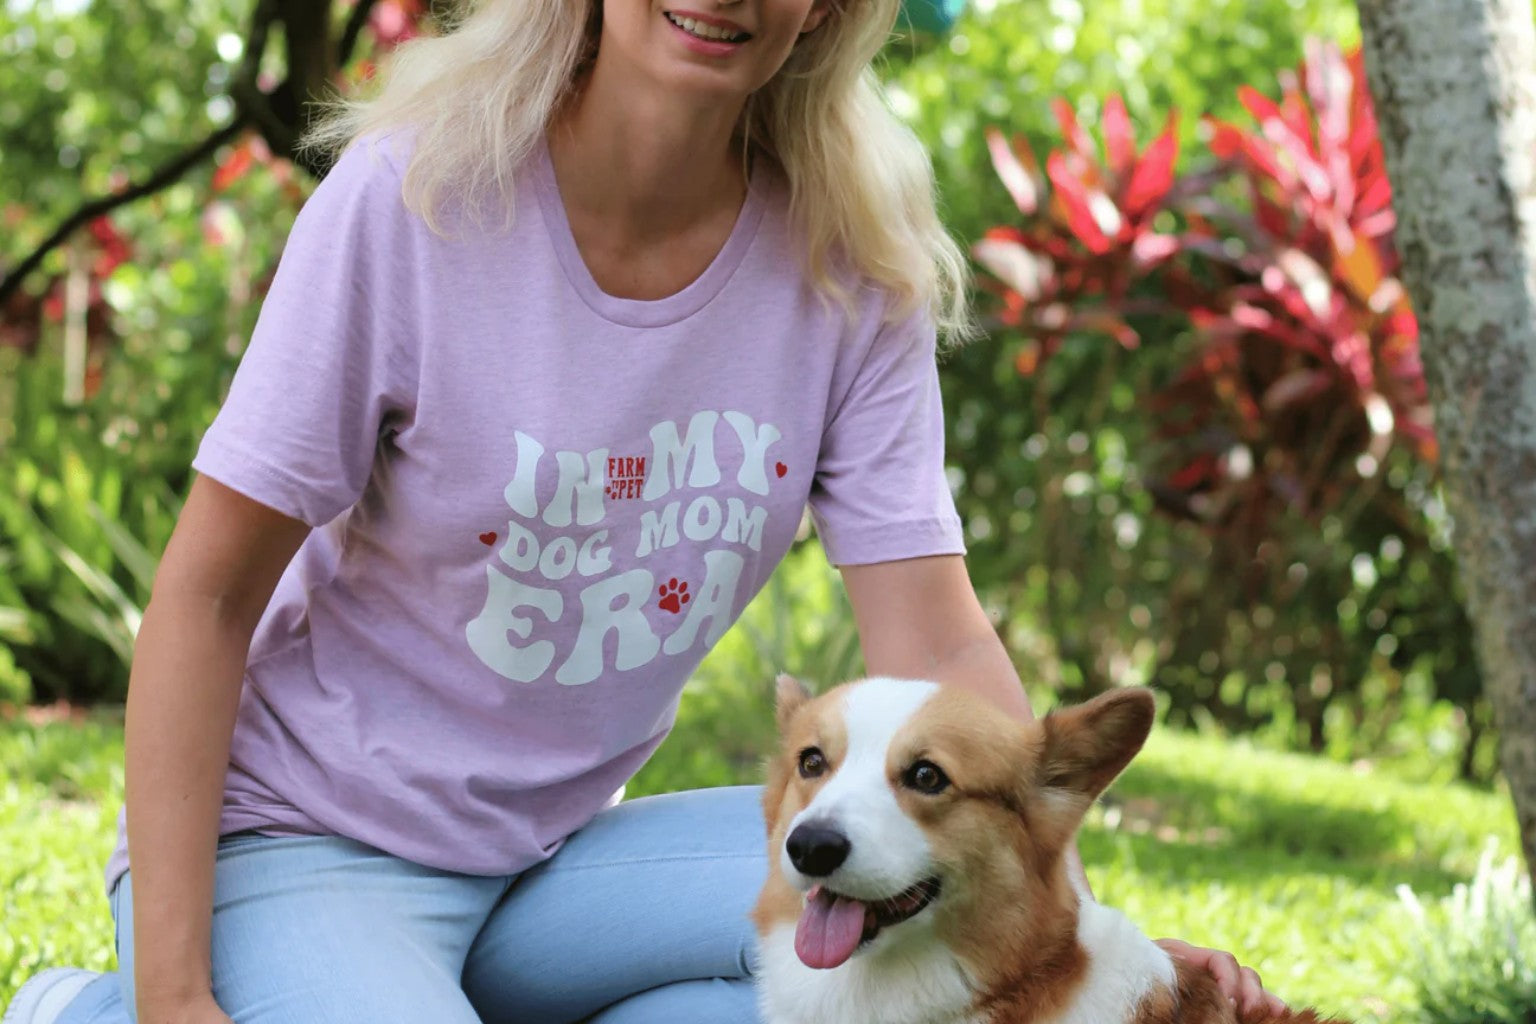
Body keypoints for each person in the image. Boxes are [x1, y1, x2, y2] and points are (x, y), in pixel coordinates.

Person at [7, 1, 1289, 1022]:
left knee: (879, 1005)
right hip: (300, 840)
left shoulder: (852, 269)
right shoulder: (413, 203)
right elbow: (207, 594)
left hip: (562, 860)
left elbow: (939, 643)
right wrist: (180, 1000)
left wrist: (1076, 949)